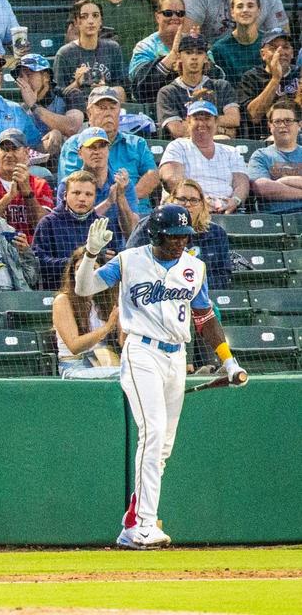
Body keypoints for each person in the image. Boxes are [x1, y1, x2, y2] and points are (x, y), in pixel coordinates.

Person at [75, 206, 248, 549]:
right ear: (156, 234)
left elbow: (204, 317)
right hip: (141, 351)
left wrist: (228, 361)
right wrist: (91, 255)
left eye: (184, 235)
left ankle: (132, 523)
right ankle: (144, 525)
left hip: (176, 356)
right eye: (173, 235)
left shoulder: (194, 267)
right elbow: (85, 288)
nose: (180, 241)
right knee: (152, 433)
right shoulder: (129, 260)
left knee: (162, 447)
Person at [59, 87, 160, 215]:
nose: (108, 113)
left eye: (112, 108)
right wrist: (111, 201)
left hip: (138, 213)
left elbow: (153, 175)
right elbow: (73, 186)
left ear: (119, 111)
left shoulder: (137, 143)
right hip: (91, 213)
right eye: (102, 108)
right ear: (89, 113)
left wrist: (127, 196)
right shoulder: (75, 144)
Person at [127, 179, 231, 290]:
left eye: (194, 200)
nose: (187, 204)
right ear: (171, 200)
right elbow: (130, 262)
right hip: (154, 293)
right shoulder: (149, 225)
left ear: (202, 205)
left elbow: (223, 275)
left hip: (201, 294)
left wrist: (190, 286)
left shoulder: (216, 233)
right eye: (182, 199)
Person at [34, 170, 125, 291]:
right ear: (65, 195)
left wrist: (103, 260)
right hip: (60, 292)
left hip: (98, 293)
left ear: (94, 197)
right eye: (76, 193)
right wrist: (83, 261)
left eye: (88, 194)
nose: (82, 198)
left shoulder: (104, 224)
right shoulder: (48, 223)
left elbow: (118, 261)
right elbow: (40, 263)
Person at [129, 0, 223, 106]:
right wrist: (173, 54)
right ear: (157, 17)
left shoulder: (196, 43)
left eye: (180, 13)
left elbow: (217, 77)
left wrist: (199, 51)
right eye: (168, 13)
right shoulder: (145, 47)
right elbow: (140, 88)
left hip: (199, 104)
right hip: (157, 106)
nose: (174, 17)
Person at [159, 99, 248, 213]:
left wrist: (235, 200)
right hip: (186, 209)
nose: (202, 124)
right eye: (196, 119)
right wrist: (198, 200)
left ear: (216, 122)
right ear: (188, 121)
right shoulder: (177, 146)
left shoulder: (231, 152)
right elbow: (170, 178)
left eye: (207, 119)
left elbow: (242, 183)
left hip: (225, 211)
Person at [57, 127, 140, 236]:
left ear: (108, 150)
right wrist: (108, 203)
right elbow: (68, 229)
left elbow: (132, 232)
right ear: (80, 153)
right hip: (81, 249)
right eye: (91, 147)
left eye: (102, 146)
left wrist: (121, 198)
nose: (97, 152)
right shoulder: (68, 185)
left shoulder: (123, 184)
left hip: (118, 249)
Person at [52, 247, 121, 380]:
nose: (85, 273)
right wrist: (107, 327)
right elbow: (74, 346)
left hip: (104, 360)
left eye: (93, 268)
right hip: (74, 365)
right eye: (79, 268)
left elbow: (122, 342)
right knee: (122, 375)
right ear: (72, 273)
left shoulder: (107, 300)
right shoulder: (63, 300)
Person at [155, 35, 240, 139]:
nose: (194, 57)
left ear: (205, 58)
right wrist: (220, 129)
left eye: (199, 53)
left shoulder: (222, 86)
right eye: (188, 52)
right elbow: (177, 130)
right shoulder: (167, 92)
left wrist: (190, 124)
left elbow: (234, 119)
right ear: (179, 57)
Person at [0, 127, 54, 240]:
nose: (9, 155)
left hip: (30, 250)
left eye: (14, 149)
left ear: (26, 153)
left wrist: (28, 193)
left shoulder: (40, 185)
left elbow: (43, 227)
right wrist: (9, 197)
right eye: (5, 149)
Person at [55, 0, 127, 108]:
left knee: (119, 90)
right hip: (76, 108)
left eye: (95, 15)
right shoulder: (64, 53)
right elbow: (58, 96)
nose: (90, 21)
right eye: (84, 16)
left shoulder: (113, 48)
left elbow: (122, 85)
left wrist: (104, 87)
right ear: (76, 22)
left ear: (101, 21)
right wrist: (77, 83)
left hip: (106, 103)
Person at [10, 53, 83, 151]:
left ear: (46, 77)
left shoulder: (70, 95)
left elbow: (72, 127)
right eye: (21, 77)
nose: (24, 81)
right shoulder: (18, 108)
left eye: (28, 75)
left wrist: (34, 106)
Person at [236, 28, 300, 138]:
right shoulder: (251, 77)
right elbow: (254, 116)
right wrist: (276, 78)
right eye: (273, 48)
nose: (281, 52)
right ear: (263, 54)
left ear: (292, 53)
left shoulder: (299, 74)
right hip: (264, 138)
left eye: (285, 47)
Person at [247, 99, 302, 214]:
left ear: (299, 124)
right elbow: (262, 188)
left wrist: (285, 180)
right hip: (274, 218)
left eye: (288, 121)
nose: (282, 125)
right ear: (270, 126)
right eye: (277, 121)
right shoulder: (260, 155)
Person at [209, 0, 265, 83]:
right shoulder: (219, 49)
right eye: (240, 6)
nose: (245, 10)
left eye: (250, 6)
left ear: (258, 11)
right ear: (232, 13)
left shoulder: (269, 44)